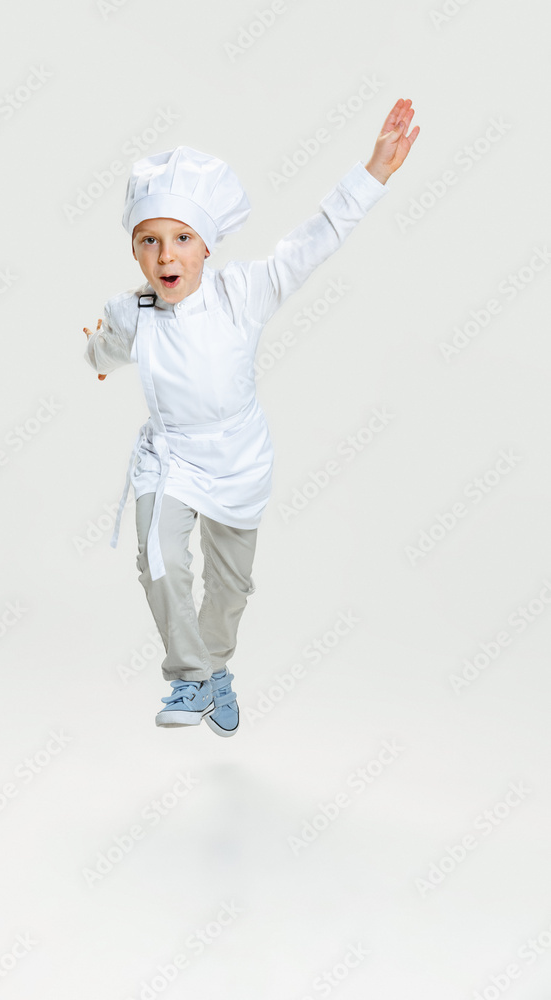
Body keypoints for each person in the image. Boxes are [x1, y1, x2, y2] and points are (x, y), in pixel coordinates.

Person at [83, 98, 420, 736]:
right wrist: (95, 354)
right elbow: (104, 345)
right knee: (159, 556)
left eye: (182, 238)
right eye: (149, 241)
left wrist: (372, 173)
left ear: (207, 246)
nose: (165, 255)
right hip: (170, 457)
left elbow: (314, 240)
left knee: (230, 587)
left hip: (237, 456)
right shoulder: (132, 312)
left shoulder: (243, 293)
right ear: (135, 253)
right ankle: (187, 679)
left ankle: (215, 669)